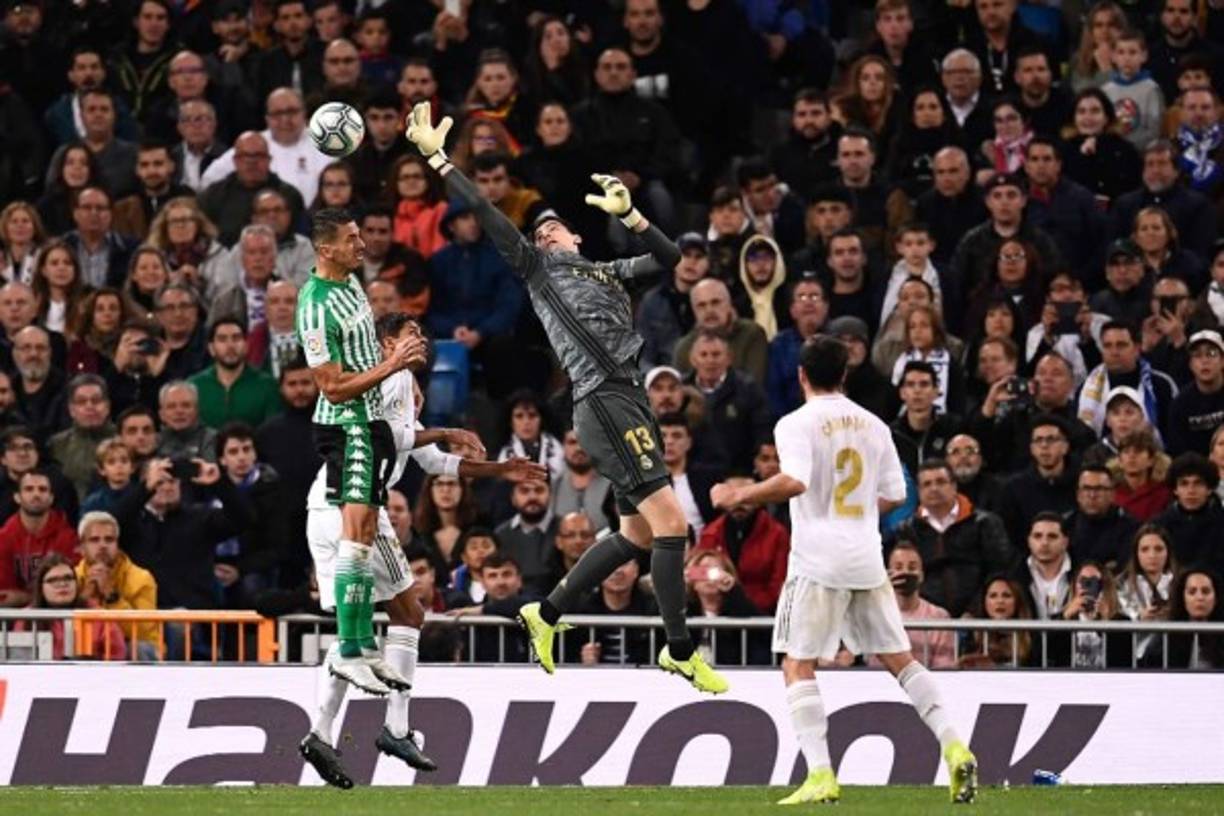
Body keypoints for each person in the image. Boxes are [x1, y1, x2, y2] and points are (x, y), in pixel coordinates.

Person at [406, 101, 727, 692]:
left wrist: (632, 215)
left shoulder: (604, 270)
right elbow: (485, 208)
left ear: (575, 235)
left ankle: (546, 612)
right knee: (671, 524)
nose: (543, 232)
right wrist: (438, 160)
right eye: (538, 230)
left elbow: (670, 259)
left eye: (553, 227)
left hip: (630, 399)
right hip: (601, 398)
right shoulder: (537, 270)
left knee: (633, 536)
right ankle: (680, 648)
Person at [709, 336, 977, 805]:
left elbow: (795, 480)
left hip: (817, 558)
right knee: (900, 659)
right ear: (845, 375)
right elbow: (896, 495)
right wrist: (854, 513)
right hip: (865, 554)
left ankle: (820, 774)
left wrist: (738, 495)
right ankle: (954, 744)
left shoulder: (796, 422)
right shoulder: (874, 425)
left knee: (797, 663)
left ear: (801, 375)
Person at [300, 311, 543, 786]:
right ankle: (395, 727)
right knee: (409, 616)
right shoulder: (392, 375)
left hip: (322, 508)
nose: (422, 339)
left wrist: (498, 470)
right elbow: (388, 439)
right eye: (411, 332)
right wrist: (444, 431)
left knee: (358, 630)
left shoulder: (388, 382)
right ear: (387, 340)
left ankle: (321, 733)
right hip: (356, 506)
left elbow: (426, 458)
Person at [293, 206, 427, 695]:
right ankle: (349, 649)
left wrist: (400, 385)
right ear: (325, 249)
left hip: (368, 423)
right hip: (346, 426)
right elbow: (330, 387)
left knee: (365, 532)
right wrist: (394, 365)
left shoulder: (350, 283)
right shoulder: (313, 306)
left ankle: (363, 647)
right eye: (351, 239)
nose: (362, 244)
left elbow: (364, 350)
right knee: (355, 534)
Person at [889, 459, 1013, 616]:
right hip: (926, 621)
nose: (934, 488)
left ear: (954, 486)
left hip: (978, 619)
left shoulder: (985, 524)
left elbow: (998, 572)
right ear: (918, 491)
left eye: (940, 482)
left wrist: (974, 612)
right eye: (927, 484)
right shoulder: (907, 530)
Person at [696, 473, 789, 613]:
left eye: (746, 496)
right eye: (732, 496)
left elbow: (779, 583)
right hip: (719, 612)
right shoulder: (710, 533)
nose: (739, 503)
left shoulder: (777, 534)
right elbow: (700, 576)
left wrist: (748, 608)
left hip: (764, 614)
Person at [74, 510, 158, 660]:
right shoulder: (72, 578)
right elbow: (60, 628)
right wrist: (84, 601)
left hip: (130, 648)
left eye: (109, 540)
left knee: (138, 647)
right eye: (94, 540)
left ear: (117, 545)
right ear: (82, 548)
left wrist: (112, 597)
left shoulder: (142, 578)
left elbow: (144, 633)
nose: (102, 545)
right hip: (86, 646)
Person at [867, 542, 955, 669]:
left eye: (912, 568)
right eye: (898, 567)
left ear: (921, 576)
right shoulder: (873, 614)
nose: (905, 572)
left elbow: (944, 668)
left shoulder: (939, 616)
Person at [0, 471, 79, 608]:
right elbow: (4, 596)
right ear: (17, 497)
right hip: (13, 620)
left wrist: (24, 597)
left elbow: (73, 589)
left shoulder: (68, 537)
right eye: (29, 489)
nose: (36, 494)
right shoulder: (3, 538)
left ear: (51, 498)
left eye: (42, 489)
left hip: (60, 613)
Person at [997, 415, 1079, 544]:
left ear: (1065, 447)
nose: (1044, 445)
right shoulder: (1014, 488)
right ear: (1032, 449)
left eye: (1051, 439)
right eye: (1038, 440)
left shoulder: (1081, 483)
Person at [188, 318, 283, 429]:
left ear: (246, 346)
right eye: (222, 339)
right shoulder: (194, 386)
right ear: (211, 348)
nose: (230, 345)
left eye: (236, 338)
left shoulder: (268, 386)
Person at [673, 278, 768, 386]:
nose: (709, 310)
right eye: (701, 305)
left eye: (715, 302)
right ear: (694, 311)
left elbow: (753, 386)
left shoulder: (751, 334)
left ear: (729, 304)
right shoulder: (685, 347)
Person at [1116, 523, 1178, 664]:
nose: (1152, 555)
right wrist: (1139, 619)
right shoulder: (1120, 585)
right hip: (1132, 656)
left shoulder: (1181, 583)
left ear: (1168, 552)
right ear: (1136, 554)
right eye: (1145, 550)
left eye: (1158, 549)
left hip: (1173, 655)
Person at [1153, 452, 1224, 575]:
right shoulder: (1158, 526)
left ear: (1209, 489)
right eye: (1184, 484)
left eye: (1198, 483)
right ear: (1175, 489)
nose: (1191, 491)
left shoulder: (1221, 523)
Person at [1102, 29, 1166, 150]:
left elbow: (1154, 130)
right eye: (1121, 52)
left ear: (1144, 56)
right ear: (1113, 57)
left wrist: (1127, 148)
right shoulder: (1106, 90)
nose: (1126, 58)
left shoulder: (1151, 89)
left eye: (1132, 52)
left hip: (1141, 152)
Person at [1066, 464, 1139, 568]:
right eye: (1086, 488)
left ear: (1112, 495)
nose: (1092, 495)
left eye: (1099, 489)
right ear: (1078, 495)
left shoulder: (1130, 528)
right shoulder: (1065, 526)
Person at [1167, 330, 1224, 456]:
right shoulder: (1180, 405)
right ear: (1191, 364)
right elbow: (1178, 451)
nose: (1205, 361)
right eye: (1197, 355)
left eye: (1211, 353)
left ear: (1222, 361)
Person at [1011, 511, 1073, 620]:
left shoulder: (1081, 573)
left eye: (1052, 536)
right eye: (1037, 536)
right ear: (1029, 541)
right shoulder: (1014, 575)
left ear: (1065, 542)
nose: (1044, 543)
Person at [1165, 567, 1224, 669]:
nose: (1199, 597)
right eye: (1192, 592)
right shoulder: (1166, 636)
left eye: (1206, 591)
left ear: (1216, 598)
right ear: (1182, 598)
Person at [1112, 426, 1173, 522]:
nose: (1131, 456)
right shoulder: (1110, 493)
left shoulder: (1163, 494)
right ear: (1120, 461)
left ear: (1151, 460)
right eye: (1126, 452)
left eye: (1138, 451)